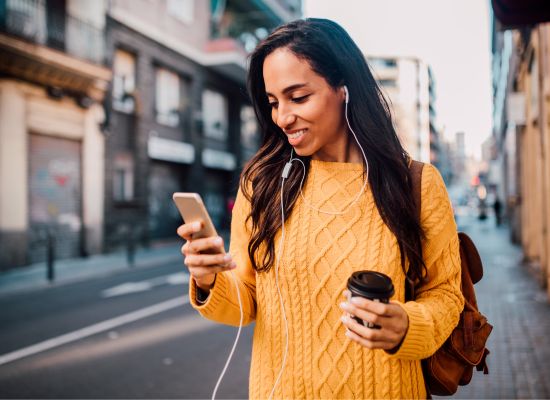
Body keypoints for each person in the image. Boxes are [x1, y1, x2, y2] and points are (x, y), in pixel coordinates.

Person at [177, 18, 464, 399]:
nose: (282, 117)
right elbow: (245, 302)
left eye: (298, 98)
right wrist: (209, 278)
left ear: (343, 88)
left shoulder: (416, 183)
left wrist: (408, 326)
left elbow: (446, 295)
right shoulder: (261, 185)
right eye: (273, 102)